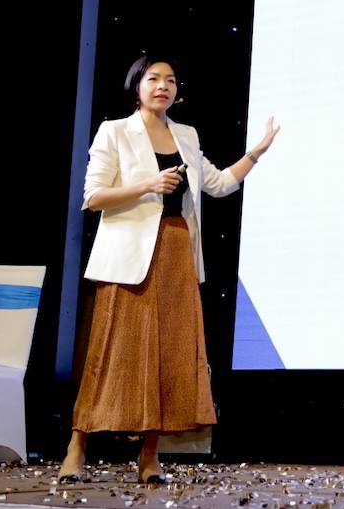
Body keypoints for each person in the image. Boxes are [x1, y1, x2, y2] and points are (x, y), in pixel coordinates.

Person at [57, 52, 280, 484]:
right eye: (154, 78)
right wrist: (149, 185)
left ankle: (149, 456)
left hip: (177, 250)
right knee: (110, 353)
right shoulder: (115, 131)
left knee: (168, 355)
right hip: (127, 259)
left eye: (171, 80)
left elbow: (218, 184)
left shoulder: (187, 135)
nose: (163, 86)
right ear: (137, 86)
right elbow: (93, 196)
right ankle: (77, 445)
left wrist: (257, 151)